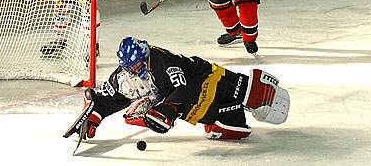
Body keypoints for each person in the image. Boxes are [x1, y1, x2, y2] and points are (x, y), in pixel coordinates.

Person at [65, 37, 290, 141]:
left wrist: (168, 109)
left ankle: (257, 88)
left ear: (145, 56)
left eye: (137, 63)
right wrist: (95, 115)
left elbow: (185, 88)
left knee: (250, 93)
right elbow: (109, 98)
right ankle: (233, 118)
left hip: (204, 77)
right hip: (187, 102)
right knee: (222, 127)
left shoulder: (163, 61)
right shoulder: (124, 77)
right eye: (129, 66)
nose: (134, 69)